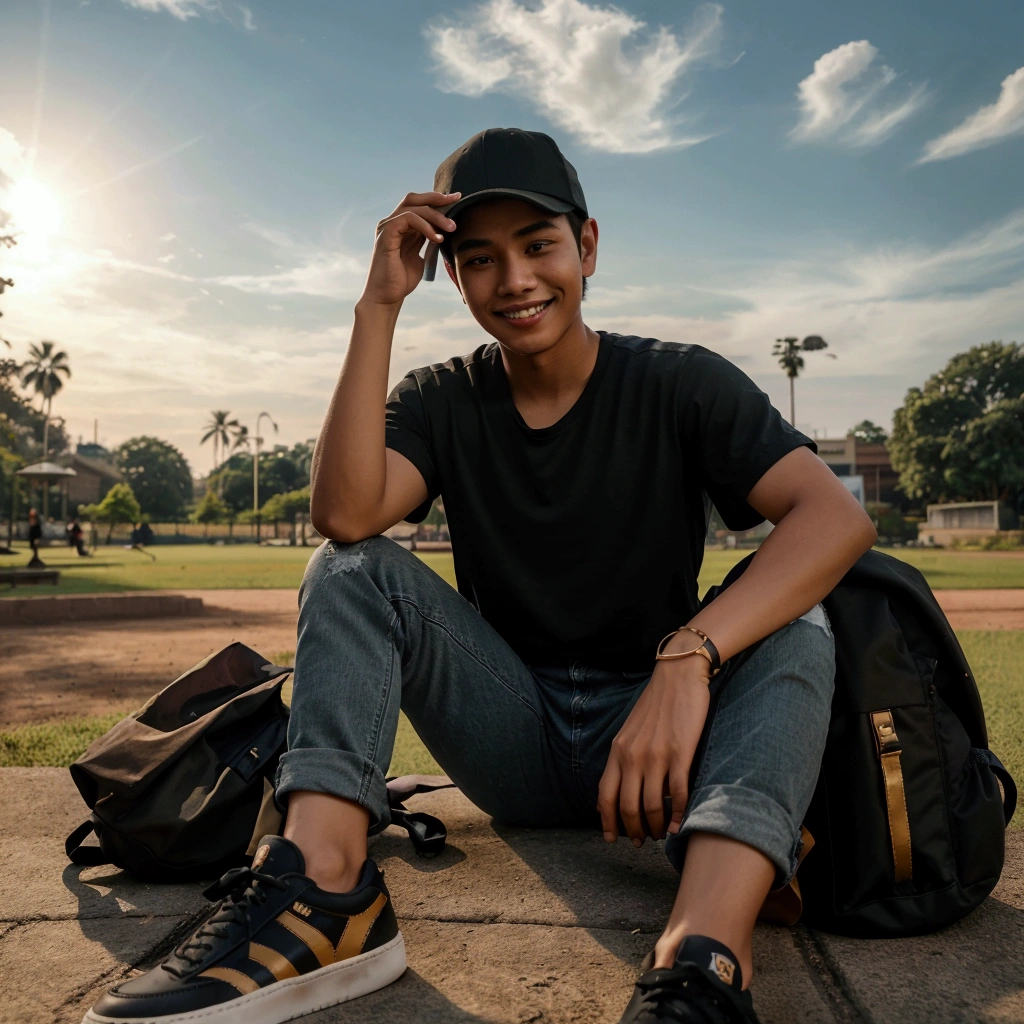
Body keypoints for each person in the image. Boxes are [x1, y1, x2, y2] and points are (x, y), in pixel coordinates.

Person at [86, 129, 876, 1024]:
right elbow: (346, 518)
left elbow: (835, 518)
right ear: (450, 278)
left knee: (800, 621)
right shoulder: (441, 396)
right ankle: (323, 894)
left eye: (538, 245)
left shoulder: (678, 382)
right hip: (514, 732)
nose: (515, 280)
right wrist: (376, 307)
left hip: (660, 750)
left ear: (586, 246)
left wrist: (688, 658)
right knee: (352, 568)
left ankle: (701, 962)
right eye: (479, 259)